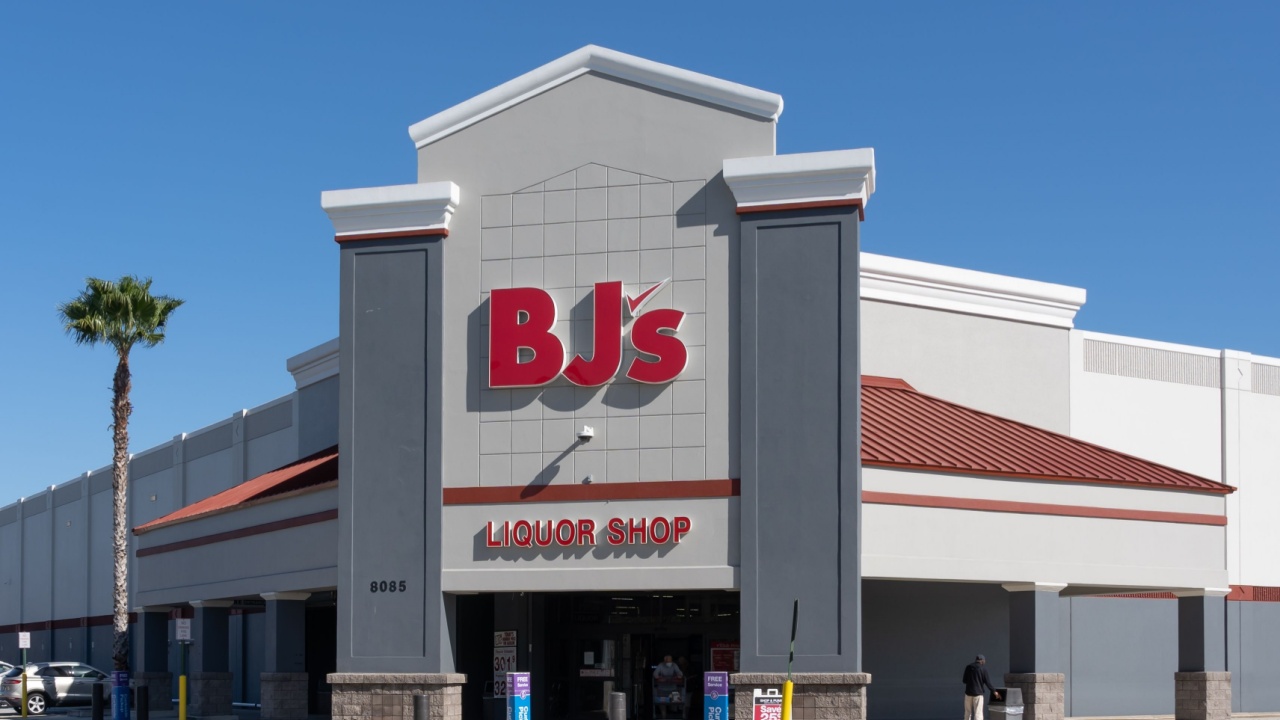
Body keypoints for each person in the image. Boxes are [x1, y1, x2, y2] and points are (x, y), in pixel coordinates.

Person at [962, 655, 1002, 720]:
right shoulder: (983, 669)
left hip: (968, 693)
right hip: (978, 694)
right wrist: (994, 691)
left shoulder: (968, 667)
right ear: (982, 661)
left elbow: (964, 680)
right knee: (978, 713)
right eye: (984, 660)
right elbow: (988, 682)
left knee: (967, 712)